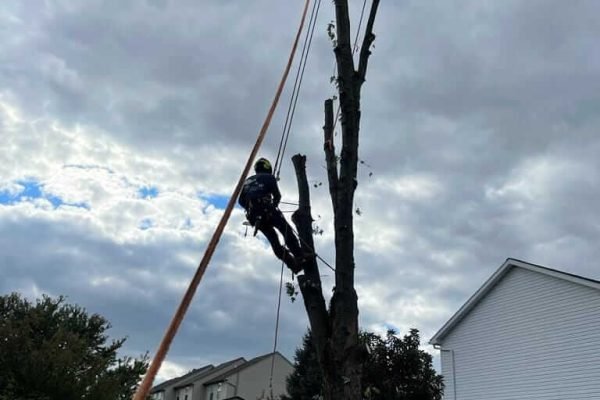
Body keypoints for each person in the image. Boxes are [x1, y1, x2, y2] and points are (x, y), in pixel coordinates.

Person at [239, 158, 304, 273]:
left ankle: (292, 264)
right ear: (268, 168)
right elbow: (277, 196)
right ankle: (300, 256)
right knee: (286, 231)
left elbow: (241, 201)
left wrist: (252, 210)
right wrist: (273, 205)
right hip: (267, 210)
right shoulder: (269, 178)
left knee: (274, 241)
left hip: (254, 217)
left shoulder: (247, 181)